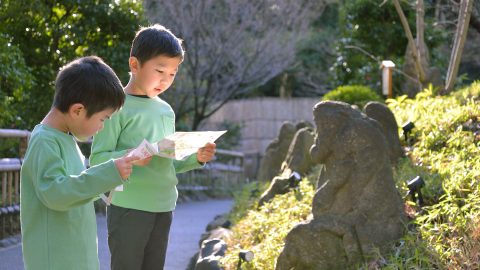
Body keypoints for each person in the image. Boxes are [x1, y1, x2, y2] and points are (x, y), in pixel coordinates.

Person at [89, 24, 216, 270]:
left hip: (164, 204)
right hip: (128, 205)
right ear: (134, 65)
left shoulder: (165, 110)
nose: (165, 80)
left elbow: (168, 160)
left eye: (172, 73)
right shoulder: (116, 108)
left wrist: (196, 158)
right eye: (159, 70)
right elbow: (97, 161)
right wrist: (132, 156)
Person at [20, 56, 139, 270]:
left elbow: (77, 189)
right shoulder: (44, 141)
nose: (102, 127)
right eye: (103, 118)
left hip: (75, 256)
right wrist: (108, 173)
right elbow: (56, 193)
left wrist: (111, 178)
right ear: (77, 110)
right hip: (55, 261)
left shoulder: (66, 138)